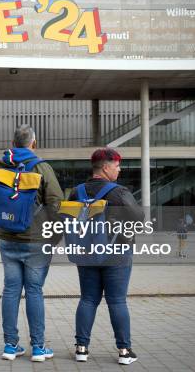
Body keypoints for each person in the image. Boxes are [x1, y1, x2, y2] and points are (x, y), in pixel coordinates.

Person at [0, 124, 63, 362]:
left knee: (10, 291)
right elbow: (56, 204)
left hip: (8, 240)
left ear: (14, 142)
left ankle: (10, 346)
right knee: (34, 291)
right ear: (33, 143)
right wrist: (53, 236)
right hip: (37, 241)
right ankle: (38, 348)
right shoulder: (42, 167)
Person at [68, 148, 143, 365]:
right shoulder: (119, 192)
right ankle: (124, 351)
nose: (119, 169)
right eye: (117, 165)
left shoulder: (76, 192)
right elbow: (139, 217)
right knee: (117, 301)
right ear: (105, 167)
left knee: (88, 299)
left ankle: (81, 349)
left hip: (86, 253)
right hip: (117, 254)